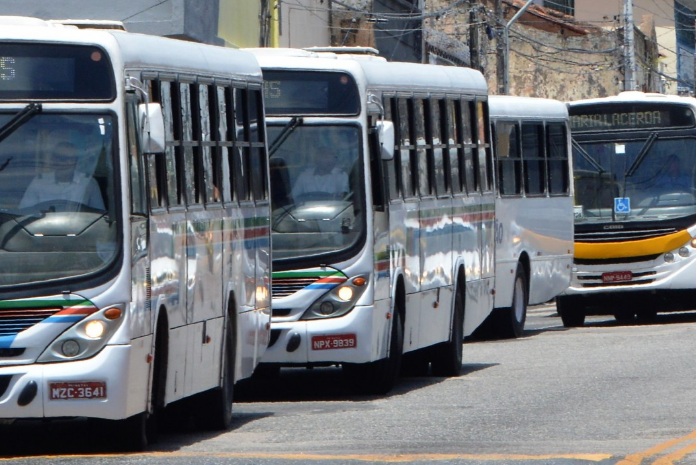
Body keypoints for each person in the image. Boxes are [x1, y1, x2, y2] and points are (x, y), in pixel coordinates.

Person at [19, 141, 105, 210]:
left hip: (80, 230)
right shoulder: (39, 182)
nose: (65, 163)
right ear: (53, 159)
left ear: (76, 161)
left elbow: (98, 215)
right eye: (61, 158)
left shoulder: (88, 183)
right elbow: (25, 212)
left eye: (70, 159)